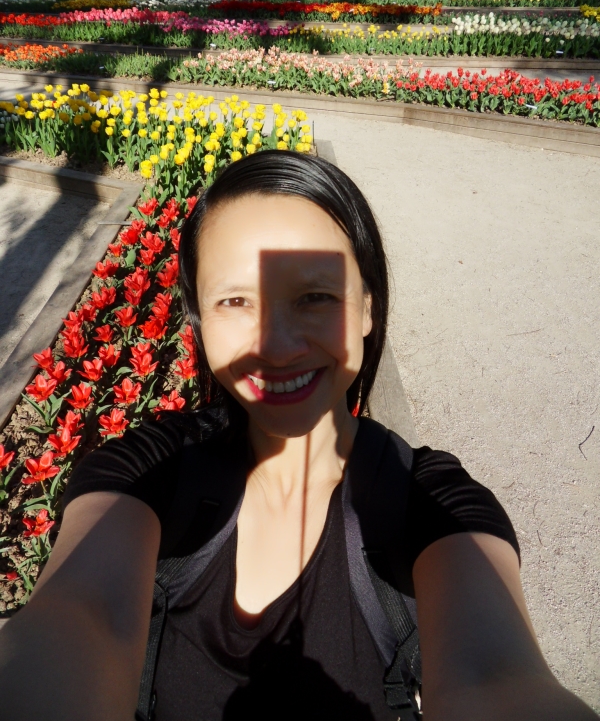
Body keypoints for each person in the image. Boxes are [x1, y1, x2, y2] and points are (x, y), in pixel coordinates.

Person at [0, 150, 596, 721]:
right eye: (235, 300)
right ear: (199, 316)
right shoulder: (149, 472)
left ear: (367, 307)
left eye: (314, 297)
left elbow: (494, 679)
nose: (277, 347)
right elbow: (83, 620)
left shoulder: (430, 503)